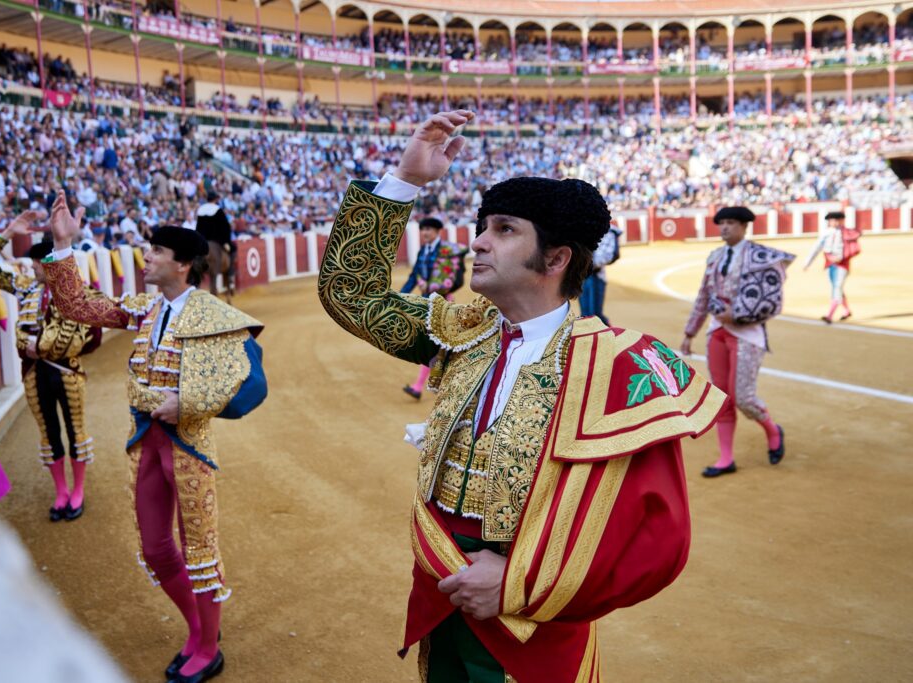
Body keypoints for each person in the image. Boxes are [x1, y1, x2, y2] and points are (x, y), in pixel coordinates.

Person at [318, 110, 727, 682]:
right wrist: (404, 181)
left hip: (535, 620)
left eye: (504, 230)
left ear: (556, 259)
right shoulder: (464, 332)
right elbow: (350, 293)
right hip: (441, 588)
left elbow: (659, 539)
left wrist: (519, 581)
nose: (478, 242)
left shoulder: (615, 364)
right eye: (484, 226)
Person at [41, 193, 268, 683]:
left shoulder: (213, 314)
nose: (146, 257)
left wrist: (189, 403)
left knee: (201, 549)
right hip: (145, 439)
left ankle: (208, 647)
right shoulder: (145, 307)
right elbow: (78, 304)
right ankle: (197, 629)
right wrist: (63, 247)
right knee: (155, 547)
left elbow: (252, 383)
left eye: (156, 252)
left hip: (188, 444)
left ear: (182, 265)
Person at [0, 214, 102, 521]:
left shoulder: (73, 291)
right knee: (48, 432)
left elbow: (88, 333)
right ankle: (61, 491)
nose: (31, 268)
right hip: (35, 372)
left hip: (66, 368)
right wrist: (6, 231)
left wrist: (40, 345)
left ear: (51, 265)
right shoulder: (27, 287)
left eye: (37, 264)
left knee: (75, 430)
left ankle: (78, 490)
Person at [681, 206, 794, 478]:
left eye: (731, 223)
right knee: (722, 398)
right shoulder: (715, 257)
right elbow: (703, 296)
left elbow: (771, 297)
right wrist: (690, 332)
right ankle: (726, 458)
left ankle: (771, 429)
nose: (724, 228)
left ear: (744, 226)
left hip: (748, 333)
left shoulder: (759, 256)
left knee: (743, 397)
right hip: (717, 332)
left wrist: (739, 314)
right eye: (722, 223)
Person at [399, 215, 468, 400]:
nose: (425, 232)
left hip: (443, 304)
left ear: (437, 232)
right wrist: (400, 297)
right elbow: (414, 276)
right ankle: (425, 386)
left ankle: (421, 386)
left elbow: (456, 278)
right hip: (426, 303)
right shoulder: (423, 251)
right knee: (437, 346)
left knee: (438, 346)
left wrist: (435, 287)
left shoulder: (447, 251)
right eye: (423, 229)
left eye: (429, 229)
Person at [803, 210, 862, 323]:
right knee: (837, 287)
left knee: (837, 287)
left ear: (842, 220)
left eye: (837, 220)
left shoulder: (847, 233)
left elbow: (854, 247)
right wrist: (807, 263)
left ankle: (829, 315)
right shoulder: (826, 233)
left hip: (843, 264)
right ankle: (846, 311)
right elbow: (816, 248)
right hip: (830, 263)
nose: (834, 222)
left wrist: (842, 257)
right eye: (832, 220)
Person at [578, 222, 621, 324]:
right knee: (585, 314)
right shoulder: (582, 228)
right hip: (582, 276)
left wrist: (588, 264)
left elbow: (608, 255)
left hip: (595, 275)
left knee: (594, 316)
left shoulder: (608, 231)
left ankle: (608, 336)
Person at [196, 191, 236, 299]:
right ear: (215, 199)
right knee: (233, 249)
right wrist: (226, 241)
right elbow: (225, 227)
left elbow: (198, 229)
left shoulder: (200, 210)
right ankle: (230, 276)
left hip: (202, 242)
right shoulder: (218, 210)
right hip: (217, 241)